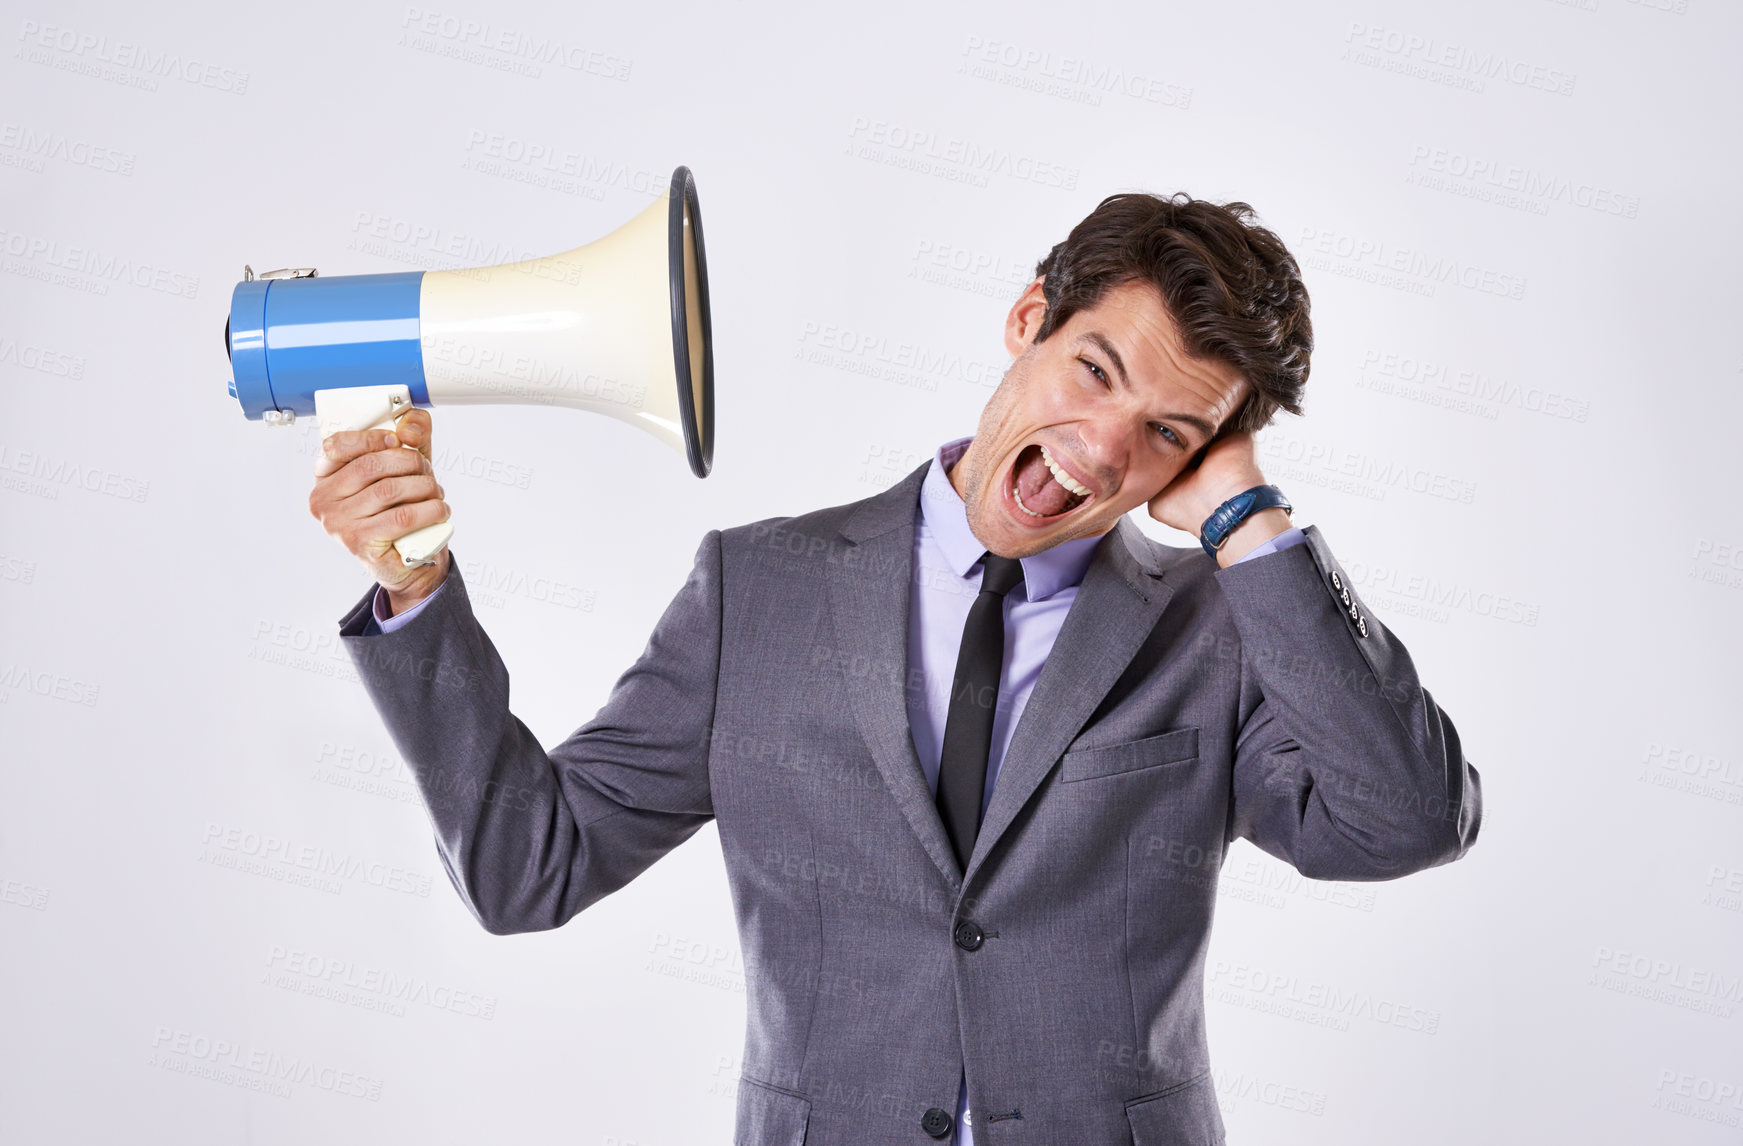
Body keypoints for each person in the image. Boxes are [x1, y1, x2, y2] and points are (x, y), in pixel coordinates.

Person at [309, 191, 1482, 1146]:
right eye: (1096, 371)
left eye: (1170, 433)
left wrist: (1247, 514)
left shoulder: (1217, 632)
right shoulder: (755, 592)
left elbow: (1405, 823)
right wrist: (415, 589)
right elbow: (527, 871)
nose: (1105, 445)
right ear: (1028, 317)